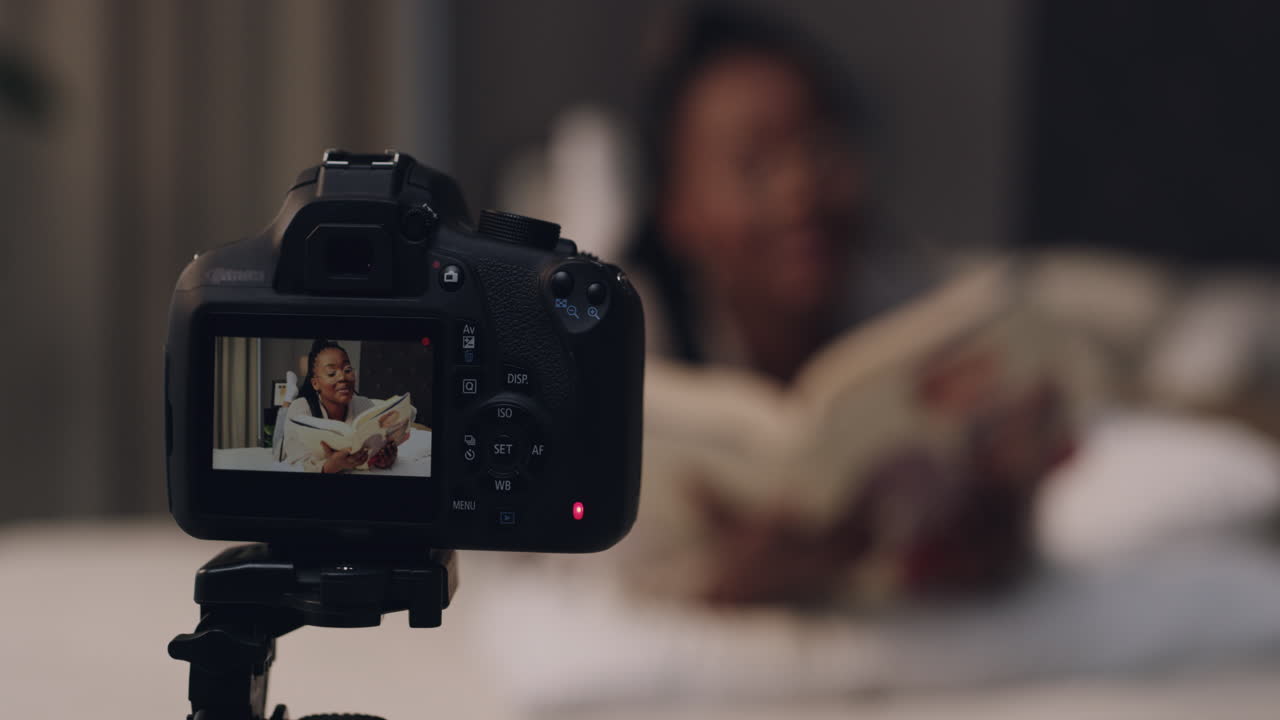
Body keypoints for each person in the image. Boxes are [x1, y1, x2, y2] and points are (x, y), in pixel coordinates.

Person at [626, 7, 1070, 605]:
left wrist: (999, 511)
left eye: (822, 147)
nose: (799, 189)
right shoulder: (626, 333)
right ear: (677, 210)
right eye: (754, 166)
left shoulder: (911, 309)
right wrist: (713, 580)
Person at [281, 339, 405, 473]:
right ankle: (288, 397)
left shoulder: (364, 405)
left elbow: (374, 451)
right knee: (282, 419)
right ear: (315, 383)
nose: (342, 377)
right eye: (331, 373)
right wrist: (332, 465)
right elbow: (297, 463)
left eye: (347, 370)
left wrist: (383, 459)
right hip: (287, 430)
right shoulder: (300, 408)